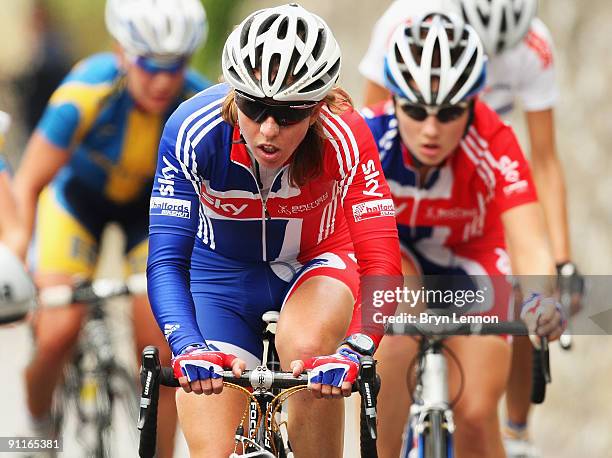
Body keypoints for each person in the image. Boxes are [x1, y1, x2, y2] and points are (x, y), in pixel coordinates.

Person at [146, 4, 402, 457]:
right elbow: (167, 260)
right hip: (220, 276)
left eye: (288, 114)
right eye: (253, 106)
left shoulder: (346, 135)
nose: (267, 129)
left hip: (316, 262)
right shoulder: (192, 130)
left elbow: (381, 263)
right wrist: (187, 346)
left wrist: (356, 348)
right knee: (213, 450)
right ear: (233, 92)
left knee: (307, 348)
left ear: (318, 108)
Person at [359, 1, 583, 456]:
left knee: (478, 413)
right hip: (395, 247)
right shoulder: (365, 133)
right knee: (397, 329)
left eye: (449, 114)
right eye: (417, 111)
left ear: (473, 106)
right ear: (393, 100)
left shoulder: (495, 137)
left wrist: (542, 296)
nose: (431, 129)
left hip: (469, 254)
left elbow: (527, 236)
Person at [12, 1, 209, 455]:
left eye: (175, 66)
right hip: (76, 203)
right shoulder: (85, 90)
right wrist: (15, 258)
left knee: (162, 343)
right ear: (122, 52)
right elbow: (27, 185)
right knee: (58, 328)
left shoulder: (198, 103)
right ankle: (35, 429)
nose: (162, 81)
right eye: (149, 66)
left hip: (149, 212)